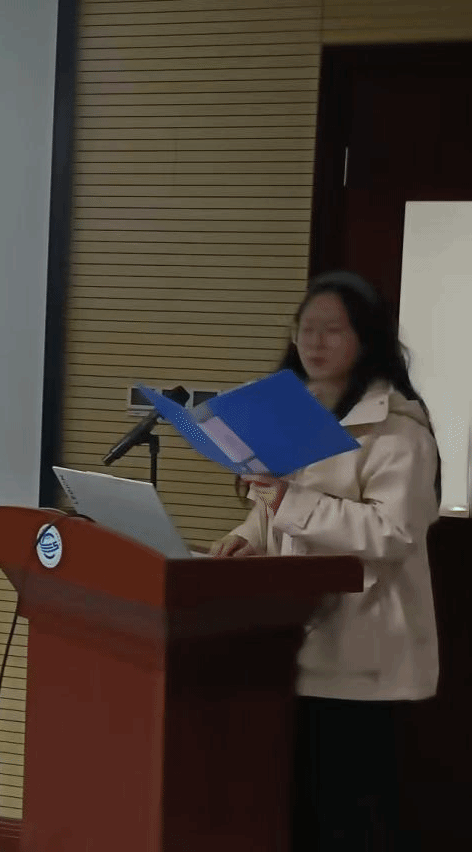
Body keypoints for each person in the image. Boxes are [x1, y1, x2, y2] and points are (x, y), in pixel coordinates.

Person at [210, 270, 440, 852]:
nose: (314, 342)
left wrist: (288, 502)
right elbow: (275, 509)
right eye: (305, 328)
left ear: (366, 338)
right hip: (291, 641)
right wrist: (248, 536)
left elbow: (393, 531)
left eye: (332, 329)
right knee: (298, 814)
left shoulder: (398, 430)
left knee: (351, 817)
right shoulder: (293, 415)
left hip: (363, 651)